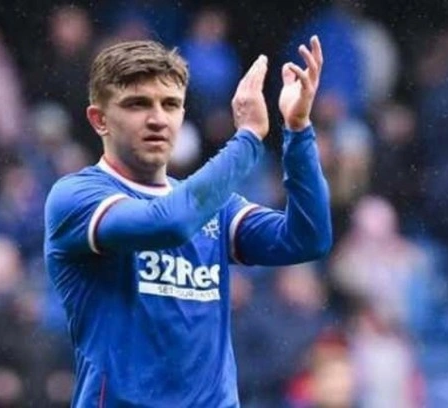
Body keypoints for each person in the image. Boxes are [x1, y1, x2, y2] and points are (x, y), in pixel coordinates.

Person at [44, 36, 331, 407]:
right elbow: (168, 224)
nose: (157, 119)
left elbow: (308, 239)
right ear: (99, 120)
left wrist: (298, 129)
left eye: (170, 104)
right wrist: (246, 139)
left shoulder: (214, 206)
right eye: (137, 104)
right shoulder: (76, 197)